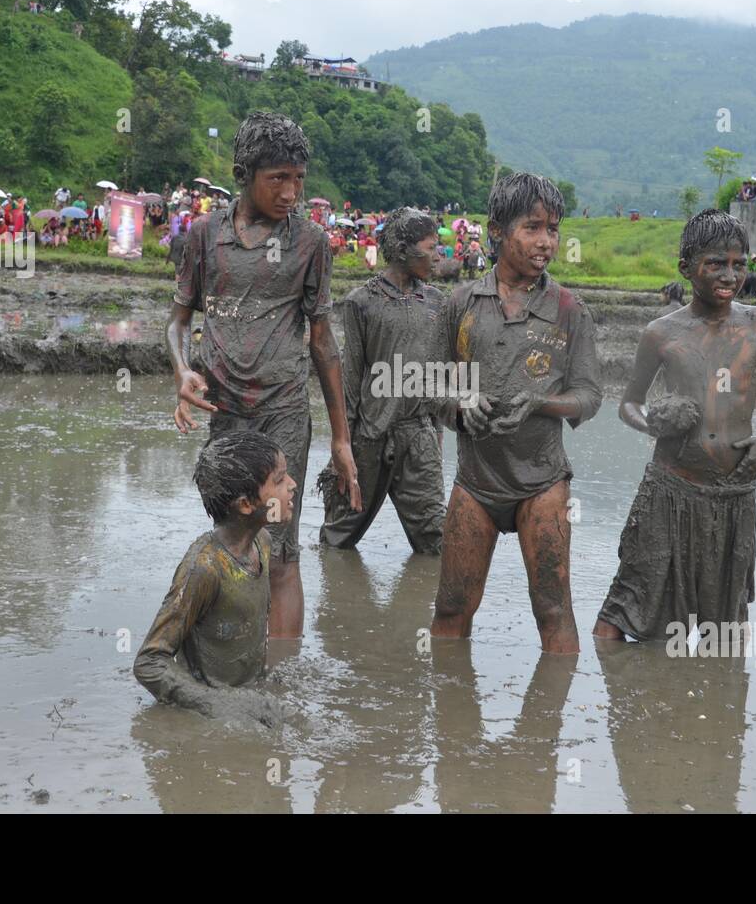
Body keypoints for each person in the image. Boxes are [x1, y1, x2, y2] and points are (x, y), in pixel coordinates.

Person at [168, 112, 361, 639]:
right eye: (277, 178)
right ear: (243, 173)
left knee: (280, 547)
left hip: (283, 411)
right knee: (232, 538)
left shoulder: (312, 244)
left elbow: (323, 341)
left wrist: (341, 440)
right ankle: (229, 655)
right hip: (225, 413)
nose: (291, 192)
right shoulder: (204, 237)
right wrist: (184, 371)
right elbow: (179, 321)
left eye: (299, 178)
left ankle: (281, 674)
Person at [593, 209, 756, 643]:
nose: (730, 275)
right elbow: (628, 403)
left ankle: (710, 705)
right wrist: (654, 422)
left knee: (725, 628)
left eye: (739, 264)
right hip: (670, 490)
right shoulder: (661, 333)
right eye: (716, 264)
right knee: (624, 611)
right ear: (686, 268)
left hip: (733, 496)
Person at [427, 172, 603, 654]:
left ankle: (549, 724)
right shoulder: (461, 305)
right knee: (451, 606)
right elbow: (429, 382)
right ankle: (452, 718)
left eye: (553, 229)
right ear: (498, 229)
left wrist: (541, 402)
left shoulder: (569, 309)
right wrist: (459, 406)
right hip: (476, 482)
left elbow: (589, 396)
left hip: (542, 482)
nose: (546, 242)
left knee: (552, 608)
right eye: (533, 227)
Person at [133, 431, 295, 715]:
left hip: (249, 694)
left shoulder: (263, 543)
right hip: (209, 708)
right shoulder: (205, 568)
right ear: (246, 504)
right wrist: (217, 704)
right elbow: (149, 663)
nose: (292, 485)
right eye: (280, 480)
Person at [318, 207, 446, 554]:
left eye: (439, 247)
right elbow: (352, 376)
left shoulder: (437, 302)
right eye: (431, 247)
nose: (439, 254)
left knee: (436, 539)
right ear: (403, 250)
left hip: (418, 436)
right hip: (369, 438)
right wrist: (342, 445)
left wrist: (437, 434)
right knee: (339, 535)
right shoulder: (361, 303)